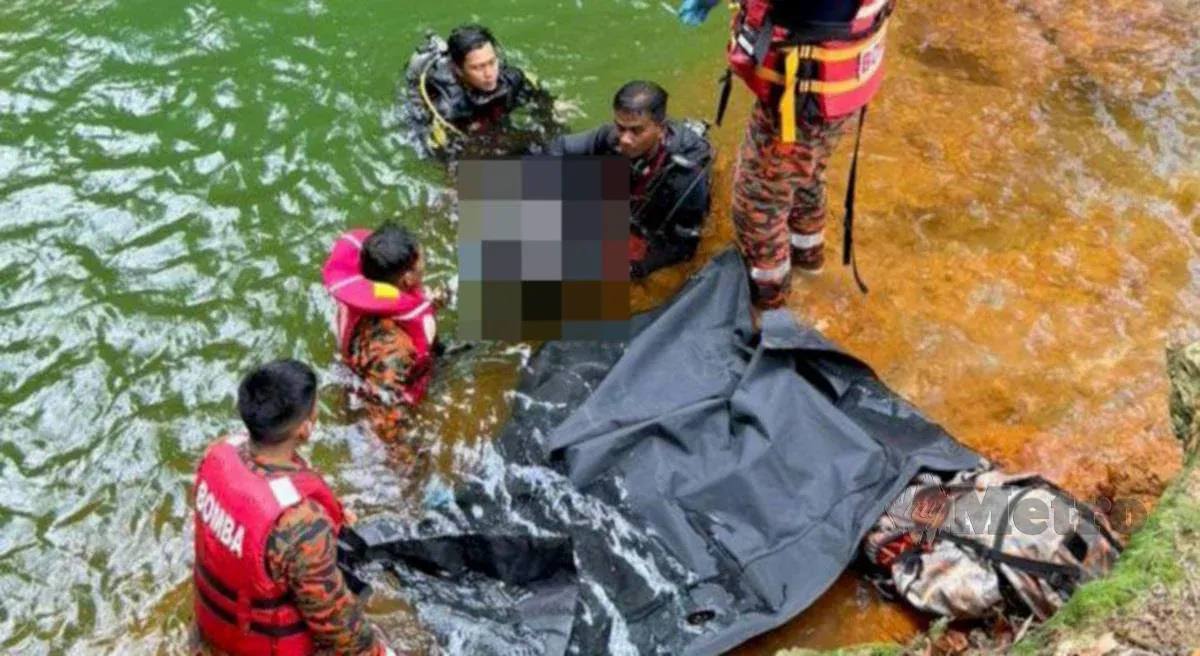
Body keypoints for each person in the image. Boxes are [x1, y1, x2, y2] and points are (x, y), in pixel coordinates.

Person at [677, 0, 894, 308]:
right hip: (838, 87)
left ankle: (771, 310)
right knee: (805, 176)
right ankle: (809, 267)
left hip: (801, 98)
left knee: (758, 202)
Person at [190, 359, 397, 656]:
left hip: (212, 629)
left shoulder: (217, 452)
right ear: (305, 428)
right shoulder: (301, 523)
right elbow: (336, 625)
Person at [548, 81, 714, 280]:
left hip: (663, 214)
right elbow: (558, 148)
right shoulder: (610, 137)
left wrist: (633, 268)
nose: (625, 139)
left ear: (661, 129)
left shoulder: (685, 176)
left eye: (636, 131)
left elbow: (684, 247)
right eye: (620, 127)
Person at [321, 222, 447, 469]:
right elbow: (381, 412)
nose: (426, 262)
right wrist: (407, 460)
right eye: (421, 260)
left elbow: (393, 303)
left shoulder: (361, 297)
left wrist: (426, 303)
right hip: (385, 388)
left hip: (365, 365)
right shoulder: (394, 348)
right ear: (407, 278)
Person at [403, 24, 560, 156]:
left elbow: (536, 91)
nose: (489, 74)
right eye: (477, 67)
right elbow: (444, 156)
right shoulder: (448, 109)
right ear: (457, 69)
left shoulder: (511, 79)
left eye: (492, 62)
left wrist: (552, 110)